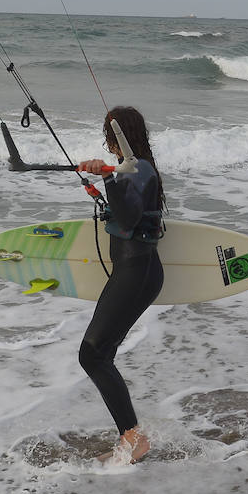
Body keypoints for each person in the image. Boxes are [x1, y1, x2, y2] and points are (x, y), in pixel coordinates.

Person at [76, 106, 166, 464]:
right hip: (138, 270)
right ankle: (130, 438)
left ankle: (134, 439)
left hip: (135, 271)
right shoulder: (139, 168)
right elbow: (129, 213)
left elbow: (129, 216)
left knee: (91, 354)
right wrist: (102, 190)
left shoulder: (137, 168)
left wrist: (108, 179)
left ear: (115, 137)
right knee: (102, 355)